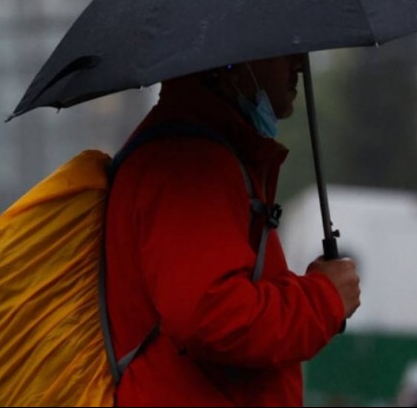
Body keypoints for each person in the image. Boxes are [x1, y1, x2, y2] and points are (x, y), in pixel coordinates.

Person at [105, 53, 361, 406]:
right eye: (284, 50)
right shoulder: (191, 162)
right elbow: (213, 316)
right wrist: (323, 298)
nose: (300, 65)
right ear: (234, 65)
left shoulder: (206, 150)